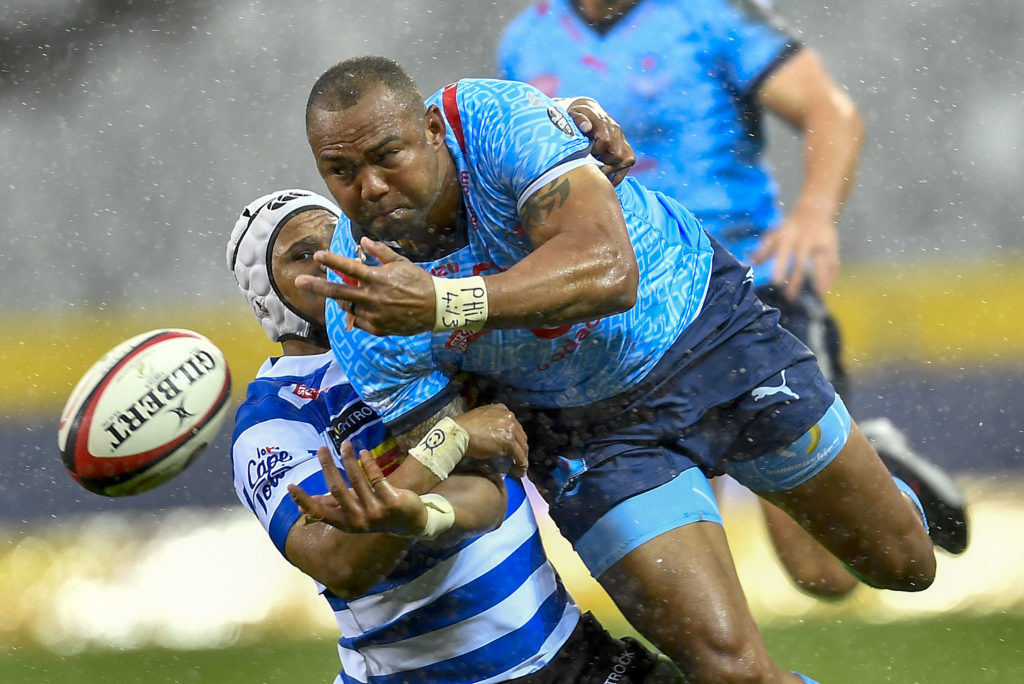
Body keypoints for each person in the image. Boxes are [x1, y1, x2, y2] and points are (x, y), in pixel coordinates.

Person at [296, 54, 953, 683]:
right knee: (727, 670)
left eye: (388, 156)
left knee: (904, 566)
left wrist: (441, 303)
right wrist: (422, 511)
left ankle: (891, 468)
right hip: (586, 434)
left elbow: (611, 272)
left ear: (434, 131)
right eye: (341, 170)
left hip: (703, 333)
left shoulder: (489, 120)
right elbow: (486, 487)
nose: (372, 188)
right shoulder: (362, 313)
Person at [497, 0, 969, 598]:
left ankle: (879, 460)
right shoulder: (526, 41)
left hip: (747, 297)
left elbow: (830, 110)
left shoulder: (711, 14)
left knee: (823, 573)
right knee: (686, 576)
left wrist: (814, 214)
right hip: (631, 321)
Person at [226, 188, 684, 683]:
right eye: (302, 255)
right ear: (264, 293)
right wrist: (447, 443)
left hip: (568, 656)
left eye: (339, 238)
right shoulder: (273, 419)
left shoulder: (422, 331)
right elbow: (338, 563)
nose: (333, 258)